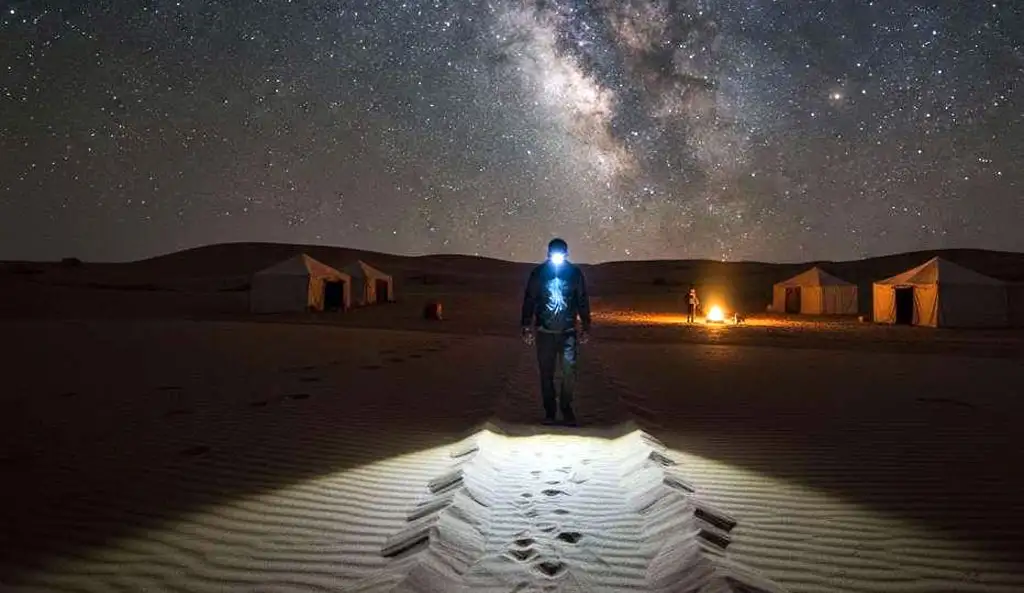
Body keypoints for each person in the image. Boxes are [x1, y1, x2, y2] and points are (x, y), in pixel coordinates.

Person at [520, 238, 591, 426]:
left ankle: (566, 408)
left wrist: (586, 325)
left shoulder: (575, 273)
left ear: (566, 253)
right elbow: (530, 299)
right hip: (545, 331)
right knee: (546, 373)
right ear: (549, 253)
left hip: (568, 331)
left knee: (569, 371)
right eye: (555, 253)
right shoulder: (539, 273)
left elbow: (582, 299)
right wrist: (526, 325)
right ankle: (550, 412)